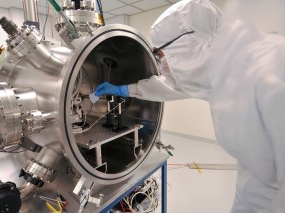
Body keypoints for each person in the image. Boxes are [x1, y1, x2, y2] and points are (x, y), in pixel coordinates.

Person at [94, 0, 285, 212]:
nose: (162, 66)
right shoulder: (220, 73)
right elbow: (167, 86)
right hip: (252, 192)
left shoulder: (274, 69)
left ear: (190, 44)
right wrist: (123, 89)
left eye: (161, 56)